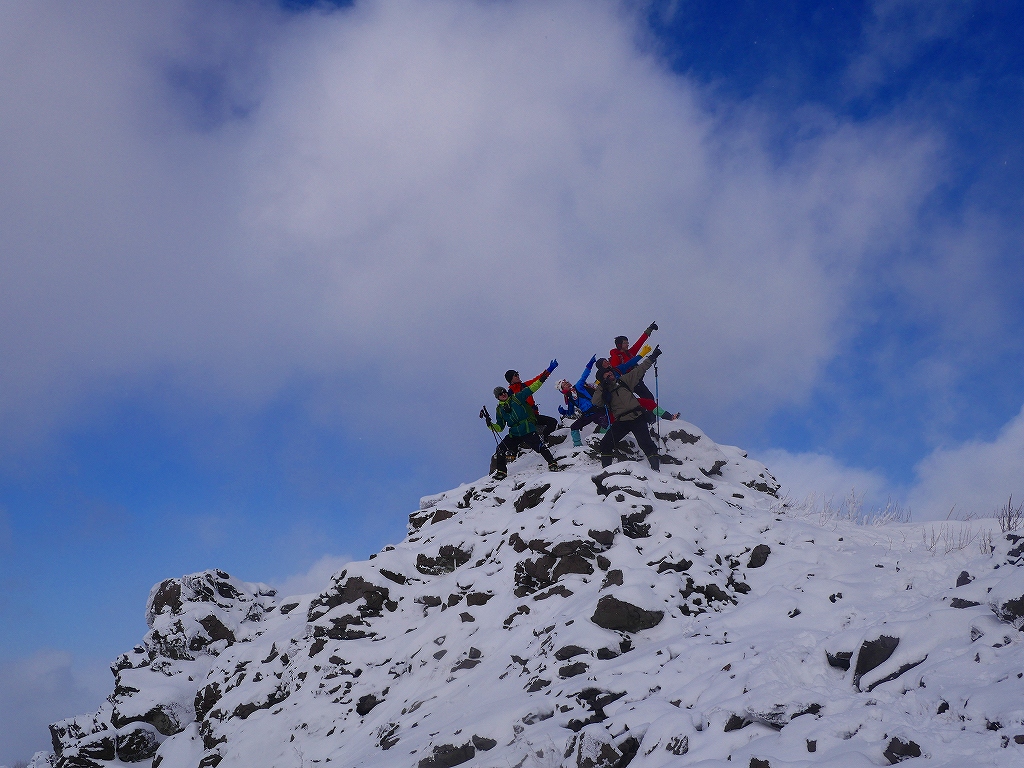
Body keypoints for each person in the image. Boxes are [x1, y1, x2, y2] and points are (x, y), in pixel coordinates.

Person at [590, 346, 663, 470]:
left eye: (610, 372)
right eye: (606, 374)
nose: (610, 373)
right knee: (606, 444)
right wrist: (602, 386)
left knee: (646, 444)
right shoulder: (603, 391)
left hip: (637, 417)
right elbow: (596, 402)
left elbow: (639, 370)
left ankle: (656, 470)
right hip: (621, 421)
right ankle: (606, 471)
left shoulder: (623, 381)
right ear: (602, 378)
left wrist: (652, 357)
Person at [482, 369, 559, 479]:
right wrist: (490, 424)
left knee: (540, 446)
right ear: (497, 397)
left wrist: (542, 378)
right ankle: (502, 472)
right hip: (514, 433)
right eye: (500, 394)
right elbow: (500, 427)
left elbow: (532, 388)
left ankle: (552, 463)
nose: (503, 394)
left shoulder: (517, 397)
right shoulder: (499, 409)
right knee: (500, 449)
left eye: (504, 391)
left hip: (526, 428)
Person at [556, 355, 610, 447]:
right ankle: (578, 446)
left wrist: (590, 364)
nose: (568, 383)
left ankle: (607, 441)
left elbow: (584, 375)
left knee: (607, 426)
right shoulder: (569, 399)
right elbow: (570, 412)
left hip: (596, 410)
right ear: (562, 389)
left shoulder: (578, 386)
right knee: (574, 427)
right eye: (564, 384)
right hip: (587, 415)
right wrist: (564, 412)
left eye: (567, 382)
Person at [505, 365, 559, 437]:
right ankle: (543, 438)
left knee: (553, 422)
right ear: (511, 379)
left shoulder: (524, 385)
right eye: (515, 375)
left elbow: (538, 379)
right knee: (551, 422)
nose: (518, 376)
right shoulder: (510, 394)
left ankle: (545, 438)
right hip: (524, 420)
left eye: (517, 374)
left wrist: (550, 369)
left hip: (534, 416)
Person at [609, 322, 658, 400]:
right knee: (648, 397)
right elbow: (616, 371)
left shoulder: (629, 353)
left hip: (637, 378)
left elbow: (639, 342)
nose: (627, 344)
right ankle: (652, 410)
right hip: (629, 380)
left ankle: (650, 410)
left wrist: (649, 329)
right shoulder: (616, 357)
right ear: (619, 345)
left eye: (627, 343)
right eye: (625, 343)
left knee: (647, 397)